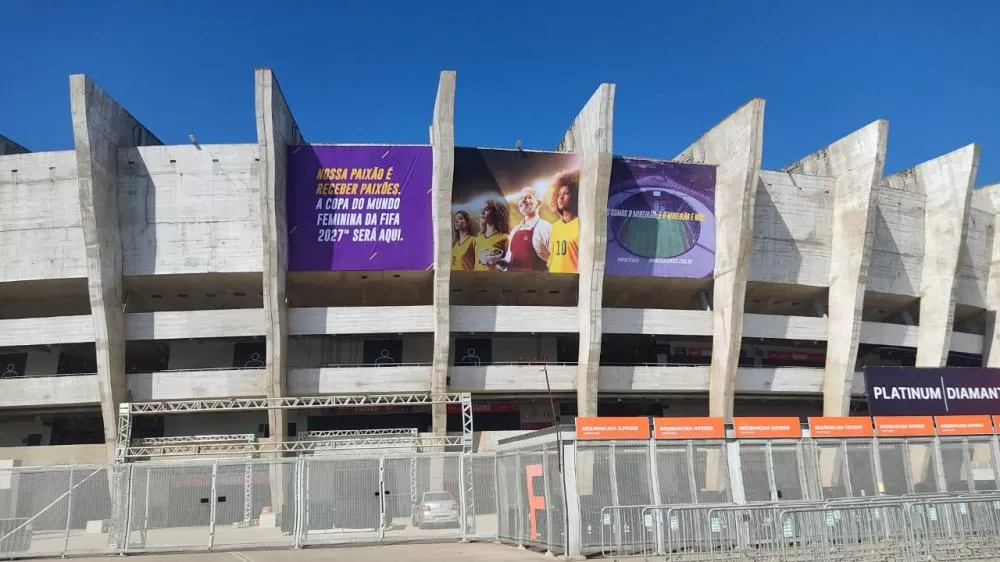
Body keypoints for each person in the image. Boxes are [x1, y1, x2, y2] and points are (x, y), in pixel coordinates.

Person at [498, 186, 551, 272]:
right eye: (521, 198)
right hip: (513, 279)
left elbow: (554, 260)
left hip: (535, 280)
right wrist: (500, 263)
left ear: (539, 203)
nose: (523, 200)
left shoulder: (546, 227)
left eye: (528, 197)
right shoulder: (515, 230)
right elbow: (509, 259)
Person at [546, 170, 580, 273]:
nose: (561, 197)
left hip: (573, 278)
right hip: (554, 277)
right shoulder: (554, 227)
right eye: (559, 194)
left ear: (575, 197)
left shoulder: (581, 224)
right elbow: (552, 258)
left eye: (566, 193)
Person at [474, 199, 510, 271]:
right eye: (481, 209)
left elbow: (508, 264)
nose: (482, 212)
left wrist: (499, 263)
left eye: (486, 209)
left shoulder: (505, 238)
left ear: (496, 213)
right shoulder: (477, 239)